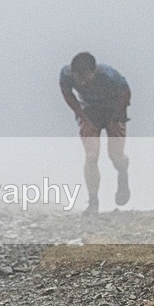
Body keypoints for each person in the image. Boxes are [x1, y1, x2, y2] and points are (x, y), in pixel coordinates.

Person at [60, 52, 131, 216]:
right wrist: (82, 115)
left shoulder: (109, 75)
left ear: (94, 72)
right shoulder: (66, 74)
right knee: (91, 156)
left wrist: (115, 118)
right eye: (79, 78)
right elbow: (67, 93)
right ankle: (93, 202)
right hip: (90, 111)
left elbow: (126, 93)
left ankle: (123, 174)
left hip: (115, 110)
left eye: (86, 78)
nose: (83, 82)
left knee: (115, 155)